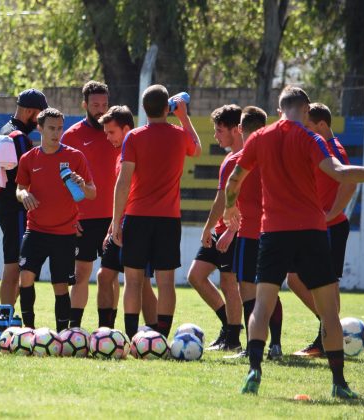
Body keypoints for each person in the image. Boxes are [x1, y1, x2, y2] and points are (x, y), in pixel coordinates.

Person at [224, 86, 364, 398]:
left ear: (278, 107)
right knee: (328, 312)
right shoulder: (311, 138)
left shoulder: (258, 138)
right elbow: (340, 173)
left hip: (273, 232)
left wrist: (231, 207)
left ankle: (255, 370)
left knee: (262, 303)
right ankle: (338, 383)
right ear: (307, 110)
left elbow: (234, 180)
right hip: (311, 231)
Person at [112, 84, 202, 339]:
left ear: (143, 109)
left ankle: (131, 336)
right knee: (165, 281)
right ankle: (161, 336)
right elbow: (197, 149)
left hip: (136, 217)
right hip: (168, 219)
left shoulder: (134, 137)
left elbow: (123, 182)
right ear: (168, 108)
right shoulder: (178, 134)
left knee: (133, 280)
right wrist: (183, 117)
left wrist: (116, 221)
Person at [15, 107, 96, 331]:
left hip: (64, 233)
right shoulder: (29, 158)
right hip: (36, 230)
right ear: (40, 128)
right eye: (51, 128)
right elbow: (20, 189)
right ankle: (28, 329)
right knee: (25, 278)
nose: (56, 133)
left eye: (60, 128)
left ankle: (62, 334)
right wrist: (24, 195)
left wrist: (81, 184)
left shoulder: (74, 156)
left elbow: (92, 193)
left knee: (60, 286)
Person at [289, 103, 356, 358]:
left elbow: (349, 182)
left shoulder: (332, 147)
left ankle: (326, 337)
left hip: (331, 227)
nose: (305, 131)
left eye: (308, 126)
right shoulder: (318, 147)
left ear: (322, 126)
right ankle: (330, 328)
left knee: (324, 286)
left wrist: (332, 214)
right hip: (315, 227)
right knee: (294, 278)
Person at [216, 106, 280, 361]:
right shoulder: (276, 157)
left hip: (249, 231)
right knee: (271, 288)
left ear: (240, 129)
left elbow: (231, 196)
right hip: (275, 230)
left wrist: (229, 224)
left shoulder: (238, 160)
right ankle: (275, 345)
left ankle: (254, 348)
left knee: (248, 291)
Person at [187, 104, 244, 352]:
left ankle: (232, 339)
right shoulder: (229, 159)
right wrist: (209, 227)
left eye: (220, 130)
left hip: (235, 230)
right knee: (196, 276)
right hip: (221, 228)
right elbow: (221, 199)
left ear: (236, 130)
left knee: (229, 283)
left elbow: (230, 199)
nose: (216, 135)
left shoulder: (243, 159)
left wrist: (231, 229)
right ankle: (228, 326)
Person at [97, 105, 158, 329]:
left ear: (126, 129)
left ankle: (154, 332)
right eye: (105, 133)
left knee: (142, 282)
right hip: (121, 224)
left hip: (139, 223)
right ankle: (105, 332)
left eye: (111, 132)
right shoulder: (120, 154)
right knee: (104, 275)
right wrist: (114, 225)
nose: (107, 137)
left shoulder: (141, 147)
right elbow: (124, 192)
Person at [60, 81, 115, 328]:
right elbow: (62, 179)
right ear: (84, 105)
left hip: (114, 218)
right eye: (95, 105)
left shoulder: (117, 132)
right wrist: (72, 216)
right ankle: (75, 328)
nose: (100, 110)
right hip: (83, 219)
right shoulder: (71, 136)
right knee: (81, 274)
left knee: (111, 275)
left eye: (104, 104)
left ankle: (108, 331)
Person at [0, 89, 48, 315]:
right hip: (16, 209)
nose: (40, 121)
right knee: (14, 266)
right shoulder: (20, 139)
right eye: (39, 115)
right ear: (29, 111)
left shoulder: (6, 130)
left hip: (8, 207)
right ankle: (4, 318)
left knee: (17, 265)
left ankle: (6, 315)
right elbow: (28, 177)